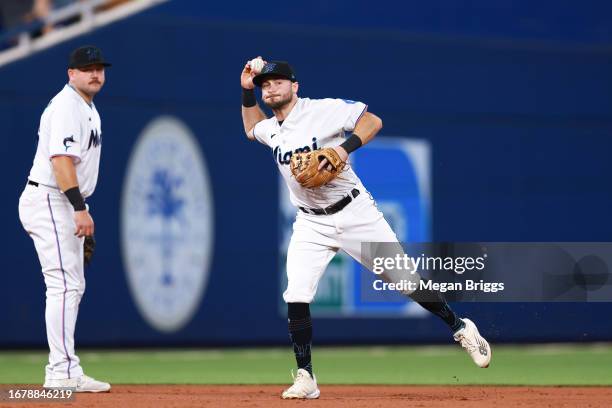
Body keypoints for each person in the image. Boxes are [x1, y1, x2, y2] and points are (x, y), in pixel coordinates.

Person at [240, 58, 492, 399]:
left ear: (295, 86)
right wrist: (245, 91)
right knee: (296, 293)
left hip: (355, 213)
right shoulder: (272, 128)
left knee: (406, 282)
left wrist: (344, 148)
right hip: (311, 222)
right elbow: (251, 130)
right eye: (265, 84)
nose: (270, 88)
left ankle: (461, 328)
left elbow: (372, 121)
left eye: (278, 82)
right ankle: (306, 377)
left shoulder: (323, 110)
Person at [18, 45, 112, 392]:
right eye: (88, 68)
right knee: (63, 285)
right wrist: (78, 207)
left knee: (72, 285)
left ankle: (67, 368)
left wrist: (77, 204)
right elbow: (61, 162)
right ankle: (59, 372)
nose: (95, 74)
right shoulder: (67, 106)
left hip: (60, 199)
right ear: (71, 73)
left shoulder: (87, 107)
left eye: (100, 68)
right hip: (51, 198)